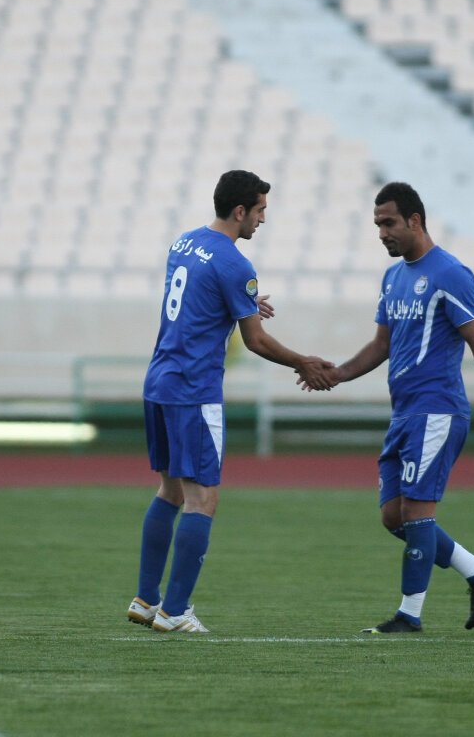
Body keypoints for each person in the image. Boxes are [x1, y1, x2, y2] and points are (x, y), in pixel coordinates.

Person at [301, 181, 474, 634]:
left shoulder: (451, 273)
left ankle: (409, 616)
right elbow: (381, 344)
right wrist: (338, 374)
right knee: (393, 516)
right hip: (405, 413)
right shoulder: (393, 278)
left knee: (418, 513)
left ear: (415, 220)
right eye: (377, 225)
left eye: (389, 223)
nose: (382, 233)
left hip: (438, 410)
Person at [128, 169, 335, 633]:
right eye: (260, 210)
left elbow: (199, 297)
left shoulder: (184, 243)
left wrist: (243, 302)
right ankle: (175, 612)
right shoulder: (236, 264)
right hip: (194, 390)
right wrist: (302, 362)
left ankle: (146, 599)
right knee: (203, 498)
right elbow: (256, 341)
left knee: (170, 491)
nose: (263, 219)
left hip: (159, 382)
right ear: (240, 210)